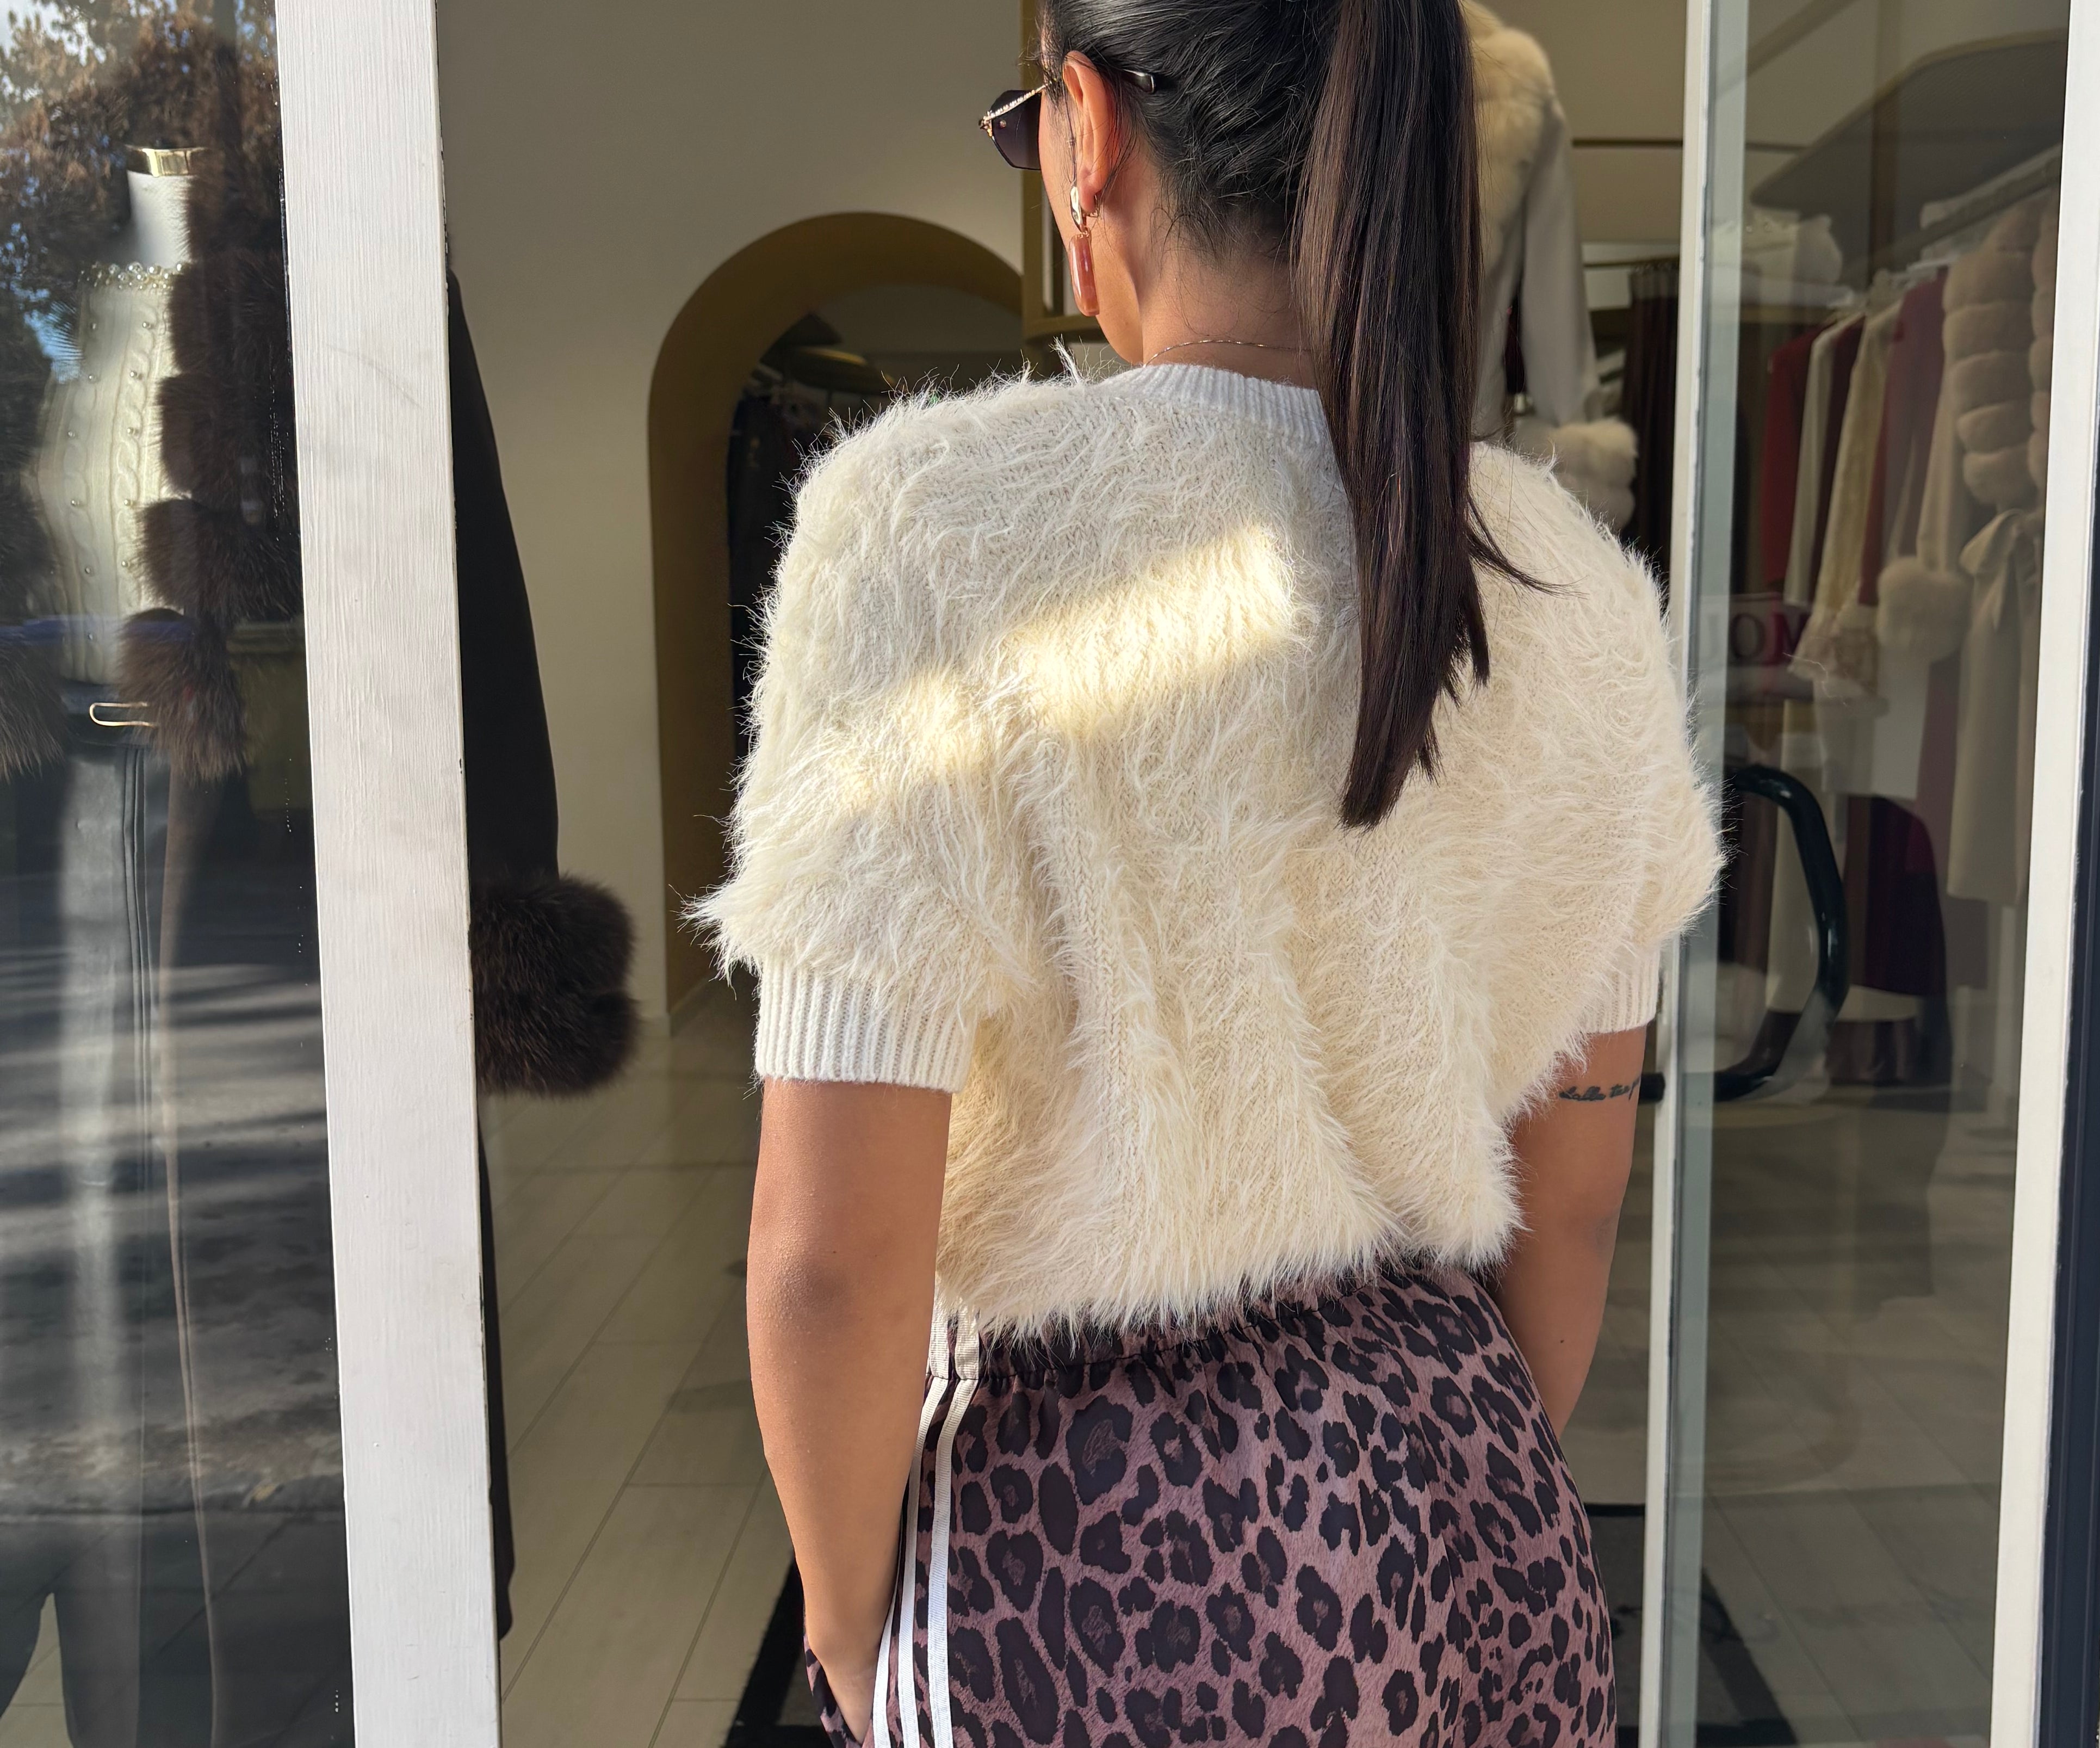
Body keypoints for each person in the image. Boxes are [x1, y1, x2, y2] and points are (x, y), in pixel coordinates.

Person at [699, 1, 1719, 1741]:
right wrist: (1442, 1491)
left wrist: (858, 1647)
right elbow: (1576, 1198)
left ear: (1088, 128)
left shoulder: (927, 533)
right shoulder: (1570, 585)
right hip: (1472, 1510)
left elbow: (832, 1260)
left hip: (1075, 1546)